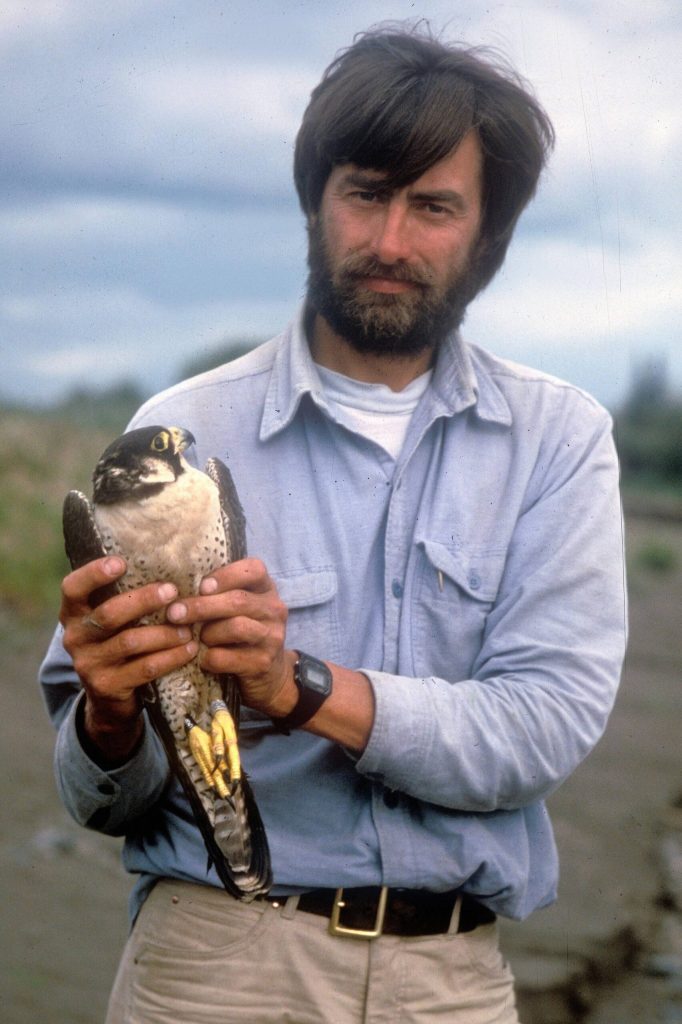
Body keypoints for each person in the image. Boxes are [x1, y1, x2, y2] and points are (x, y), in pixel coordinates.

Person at [40, 24, 627, 1024]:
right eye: (363, 192)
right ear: (315, 203)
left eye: (433, 205)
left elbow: (540, 727)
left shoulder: (558, 440)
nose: (390, 241)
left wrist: (296, 685)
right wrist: (107, 711)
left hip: (452, 983)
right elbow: (105, 797)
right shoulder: (179, 434)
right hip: (211, 965)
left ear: (488, 232)